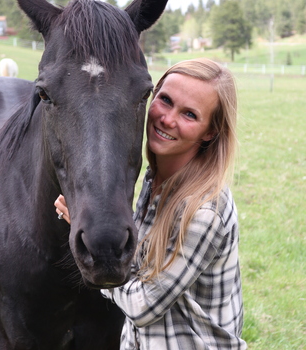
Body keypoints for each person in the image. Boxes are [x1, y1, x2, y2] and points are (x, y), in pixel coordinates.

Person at [55, 58, 247, 350]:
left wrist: (99, 258)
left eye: (190, 114)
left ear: (210, 131)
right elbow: (143, 268)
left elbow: (143, 306)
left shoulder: (206, 210)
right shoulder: (153, 179)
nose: (168, 119)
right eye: (166, 100)